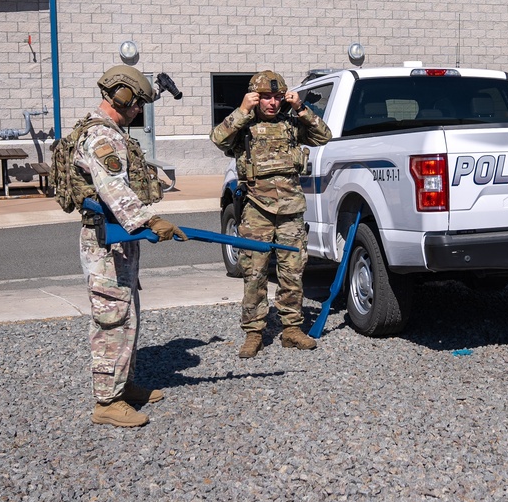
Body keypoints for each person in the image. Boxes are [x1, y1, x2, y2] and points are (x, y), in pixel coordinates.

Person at [69, 66, 186, 427]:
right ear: (121, 96)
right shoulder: (102, 137)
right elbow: (113, 189)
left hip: (119, 240)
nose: (138, 111)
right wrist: (149, 221)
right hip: (107, 243)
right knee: (111, 320)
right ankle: (106, 402)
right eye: (137, 104)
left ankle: (123, 385)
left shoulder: (107, 131)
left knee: (127, 314)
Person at [210, 70, 332, 358]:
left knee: (293, 272)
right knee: (254, 273)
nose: (273, 103)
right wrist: (242, 110)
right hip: (255, 210)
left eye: (277, 98)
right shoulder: (244, 125)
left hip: (290, 209)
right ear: (255, 97)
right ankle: (254, 332)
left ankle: (291, 329)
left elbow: (323, 136)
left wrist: (301, 108)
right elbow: (218, 139)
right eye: (266, 98)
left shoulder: (291, 123)